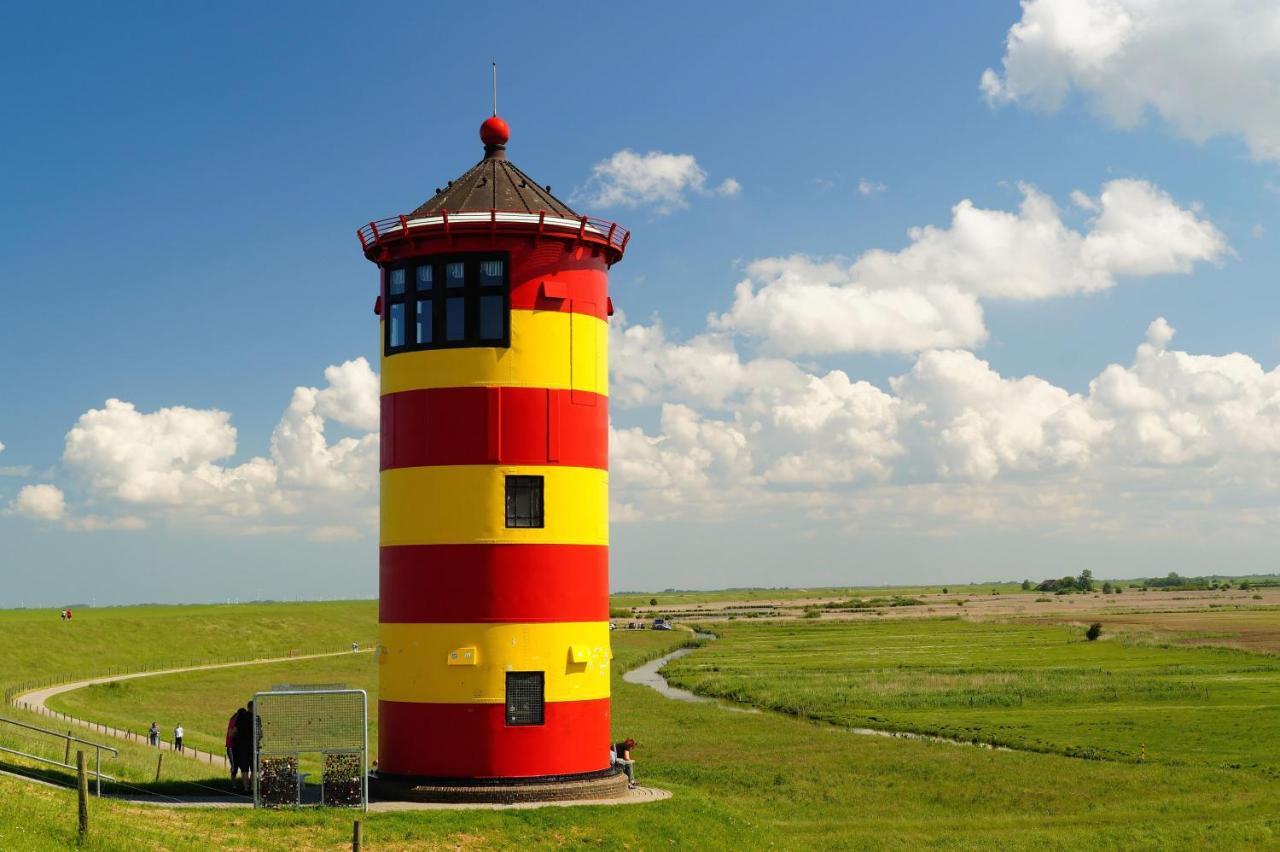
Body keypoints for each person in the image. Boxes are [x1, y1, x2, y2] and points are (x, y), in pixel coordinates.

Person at [231, 703, 255, 792]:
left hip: (242, 746)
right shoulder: (257, 718)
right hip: (253, 746)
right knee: (254, 769)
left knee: (244, 769)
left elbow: (234, 731)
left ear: (248, 707)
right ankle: (253, 788)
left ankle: (246, 788)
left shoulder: (240, 717)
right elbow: (260, 733)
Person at [225, 711, 238, 780]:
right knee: (234, 765)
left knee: (233, 765)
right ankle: (233, 781)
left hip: (230, 747)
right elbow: (231, 734)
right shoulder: (235, 722)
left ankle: (233, 782)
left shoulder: (232, 720)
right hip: (231, 747)